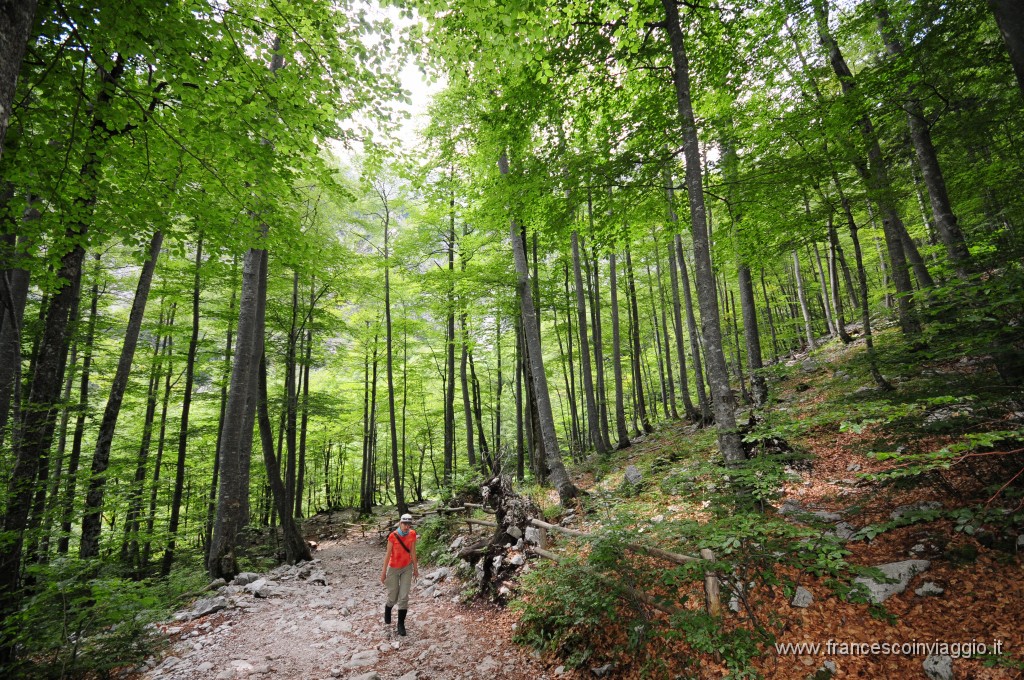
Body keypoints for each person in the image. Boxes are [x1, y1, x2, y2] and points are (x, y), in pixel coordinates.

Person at [380, 512, 419, 636]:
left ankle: (401, 624)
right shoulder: (393, 536)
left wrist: (416, 569)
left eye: (409, 524)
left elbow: (413, 552)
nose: (407, 527)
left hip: (407, 568)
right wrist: (383, 572)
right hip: (393, 569)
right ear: (400, 523)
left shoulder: (412, 534)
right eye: (405, 524)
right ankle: (388, 607)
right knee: (393, 596)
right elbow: (387, 555)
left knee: (403, 597)